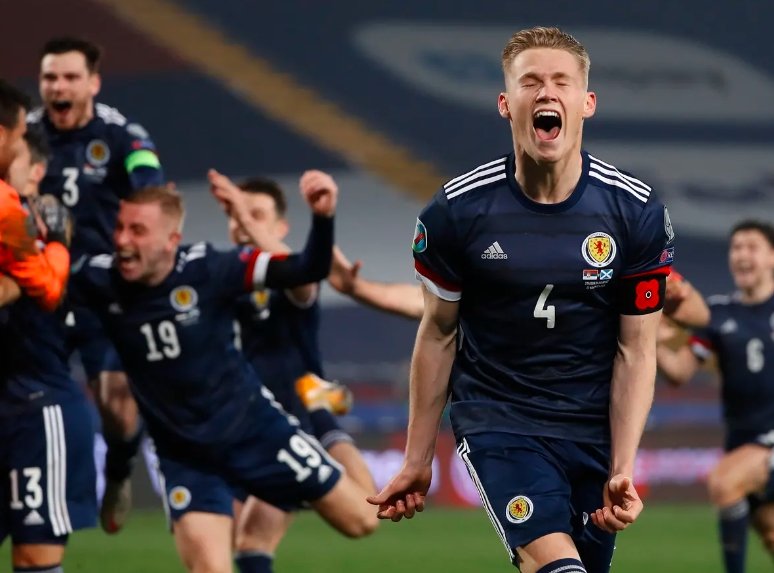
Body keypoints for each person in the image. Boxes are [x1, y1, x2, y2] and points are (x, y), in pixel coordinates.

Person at [367, 26, 674, 573]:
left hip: (591, 430)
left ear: (587, 102)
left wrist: (622, 466)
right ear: (507, 105)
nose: (546, 93)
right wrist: (417, 458)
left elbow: (636, 349)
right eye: (530, 82)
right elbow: (437, 333)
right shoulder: (456, 213)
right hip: (499, 422)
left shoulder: (636, 212)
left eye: (561, 82)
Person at [70, 180, 376, 572]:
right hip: (184, 452)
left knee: (362, 520)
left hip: (262, 426)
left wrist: (322, 216)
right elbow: (45, 283)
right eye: (120, 228)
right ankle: (119, 467)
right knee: (224, 559)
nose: (123, 241)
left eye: (138, 230)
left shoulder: (212, 270)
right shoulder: (100, 278)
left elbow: (306, 271)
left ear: (171, 240)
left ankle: (333, 440)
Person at [29, 36, 166, 533]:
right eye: (50, 77)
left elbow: (150, 188)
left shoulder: (123, 137)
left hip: (105, 291)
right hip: (37, 288)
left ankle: (119, 469)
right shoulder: (24, 135)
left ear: (93, 83)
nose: (58, 87)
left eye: (69, 77)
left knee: (117, 399)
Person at [209, 170, 377, 573]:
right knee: (245, 538)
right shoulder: (223, 279)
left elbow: (304, 279)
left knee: (365, 516)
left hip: (300, 416)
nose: (242, 223)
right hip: (248, 420)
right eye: (235, 215)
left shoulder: (293, 277)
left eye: (255, 215)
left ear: (280, 227)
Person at [0, 124, 96, 573]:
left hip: (37, 406)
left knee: (34, 556)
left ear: (35, 171)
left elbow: (40, 290)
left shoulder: (40, 226)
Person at [656, 220, 774, 573]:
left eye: (751, 247)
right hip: (744, 443)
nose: (741, 255)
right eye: (736, 248)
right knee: (769, 533)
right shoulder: (718, 314)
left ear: (772, 257)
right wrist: (647, 330)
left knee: (724, 481)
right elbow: (679, 372)